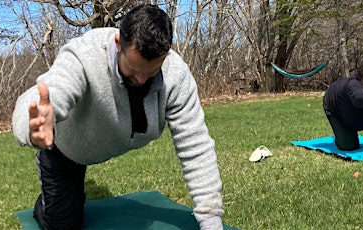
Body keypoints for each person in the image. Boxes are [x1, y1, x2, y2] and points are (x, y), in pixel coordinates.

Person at [12, 4, 224, 229]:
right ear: (118, 43)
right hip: (67, 147)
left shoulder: (176, 74)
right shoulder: (86, 53)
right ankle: (46, 202)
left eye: (151, 70)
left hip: (104, 140)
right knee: (62, 224)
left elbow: (195, 145)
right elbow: (49, 91)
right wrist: (33, 126)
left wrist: (210, 219)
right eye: (133, 68)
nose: (142, 79)